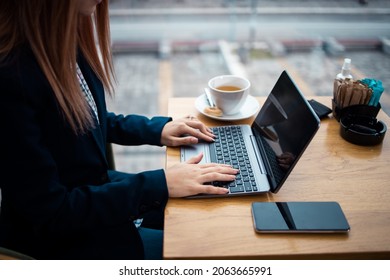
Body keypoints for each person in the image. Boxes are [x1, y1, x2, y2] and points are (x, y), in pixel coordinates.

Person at [0, 0, 238, 260]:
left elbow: (85, 119)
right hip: (64, 240)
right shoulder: (11, 80)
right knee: (202, 249)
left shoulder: (61, 42)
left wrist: (157, 130)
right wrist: (162, 183)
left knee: (205, 206)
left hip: (96, 197)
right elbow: (53, 211)